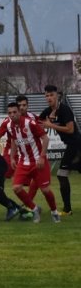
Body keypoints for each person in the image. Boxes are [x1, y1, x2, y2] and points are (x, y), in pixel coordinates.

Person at [0, 101, 61, 223]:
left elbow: (45, 138)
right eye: (9, 113)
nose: (12, 115)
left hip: (38, 161)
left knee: (45, 190)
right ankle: (35, 209)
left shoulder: (30, 123)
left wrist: (42, 156)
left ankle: (54, 211)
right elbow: (14, 140)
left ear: (20, 112)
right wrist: (13, 157)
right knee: (16, 188)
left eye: (14, 112)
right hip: (24, 162)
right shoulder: (9, 126)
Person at [39, 84, 80, 216]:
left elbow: (70, 129)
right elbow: (38, 123)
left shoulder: (65, 109)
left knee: (62, 174)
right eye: (47, 95)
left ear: (57, 95)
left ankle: (67, 209)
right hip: (71, 146)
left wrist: (51, 125)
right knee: (62, 174)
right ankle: (67, 209)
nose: (49, 98)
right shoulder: (47, 111)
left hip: (77, 145)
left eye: (51, 95)